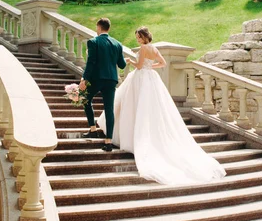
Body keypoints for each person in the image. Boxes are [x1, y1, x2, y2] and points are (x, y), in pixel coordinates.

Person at [97, 26, 226, 185]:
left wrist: (131, 61)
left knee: (136, 107)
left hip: (141, 77)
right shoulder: (154, 48)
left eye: (138, 37)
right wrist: (151, 67)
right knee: (149, 108)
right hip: (151, 76)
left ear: (143, 37)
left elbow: (138, 66)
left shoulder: (144, 48)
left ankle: (133, 138)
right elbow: (163, 63)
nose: (137, 40)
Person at [80, 18, 126, 152]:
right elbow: (122, 65)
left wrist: (84, 79)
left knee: (85, 99)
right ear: (109, 28)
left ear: (98, 27)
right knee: (109, 109)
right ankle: (108, 142)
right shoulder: (117, 44)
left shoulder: (93, 41)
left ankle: (92, 129)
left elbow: (91, 62)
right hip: (111, 79)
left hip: (96, 79)